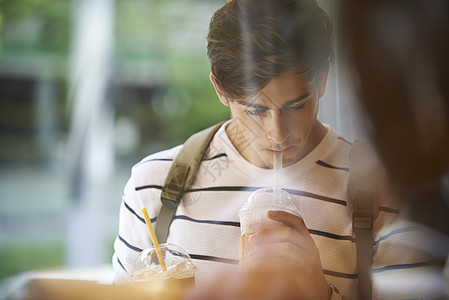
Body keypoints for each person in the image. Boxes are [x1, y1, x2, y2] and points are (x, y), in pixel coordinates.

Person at [112, 0, 422, 298]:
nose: (277, 134)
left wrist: (319, 294)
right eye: (255, 110)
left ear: (323, 78)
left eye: (296, 105)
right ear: (220, 90)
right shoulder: (154, 186)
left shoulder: (386, 189)